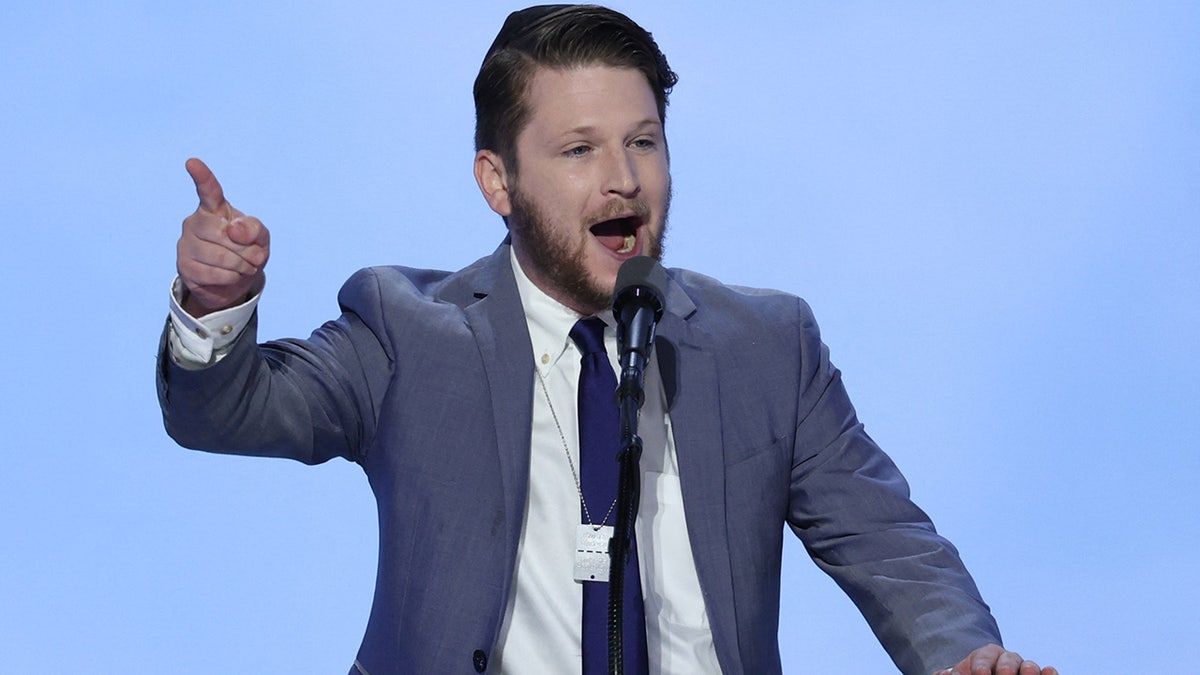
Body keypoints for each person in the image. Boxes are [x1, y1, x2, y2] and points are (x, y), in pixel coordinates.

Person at [158, 5, 1057, 675]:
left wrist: (963, 655)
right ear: (497, 180)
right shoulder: (406, 329)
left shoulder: (766, 345)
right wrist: (214, 300)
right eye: (579, 150)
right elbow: (229, 410)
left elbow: (886, 537)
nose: (623, 179)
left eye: (643, 141)